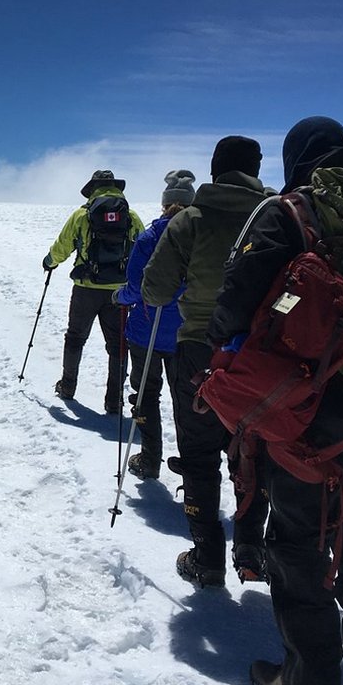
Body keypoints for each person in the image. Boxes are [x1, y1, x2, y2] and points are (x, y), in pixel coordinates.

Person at [206, 117, 343, 685]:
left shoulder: (292, 213)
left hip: (309, 410)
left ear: (294, 158)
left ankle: (308, 681)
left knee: (298, 540)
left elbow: (233, 307)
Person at [141, 136, 272, 587]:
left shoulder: (192, 219)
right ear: (256, 169)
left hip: (200, 347)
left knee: (198, 454)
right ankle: (251, 546)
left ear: (215, 170)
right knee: (254, 448)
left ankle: (207, 556)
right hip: (263, 355)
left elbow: (155, 290)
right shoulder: (277, 214)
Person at [112, 170, 195, 479]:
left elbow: (136, 287)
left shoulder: (150, 237)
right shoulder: (202, 236)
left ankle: (149, 460)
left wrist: (119, 297)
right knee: (186, 399)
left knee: (146, 395)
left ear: (164, 203)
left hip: (147, 331)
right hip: (187, 333)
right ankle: (192, 467)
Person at [43, 170, 144, 413]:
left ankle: (68, 387)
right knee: (118, 345)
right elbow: (142, 248)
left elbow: (63, 245)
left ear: (93, 188)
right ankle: (114, 400)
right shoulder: (130, 216)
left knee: (75, 337)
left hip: (86, 288)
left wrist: (50, 261)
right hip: (119, 293)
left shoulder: (82, 215)